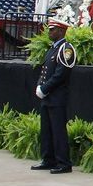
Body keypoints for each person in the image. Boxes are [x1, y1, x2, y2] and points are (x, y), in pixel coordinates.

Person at [31, 15, 76, 174]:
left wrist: (45, 88)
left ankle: (63, 163)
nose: (50, 32)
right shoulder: (53, 48)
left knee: (58, 131)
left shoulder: (66, 49)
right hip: (48, 96)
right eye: (49, 29)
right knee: (47, 130)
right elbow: (44, 72)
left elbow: (60, 74)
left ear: (62, 31)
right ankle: (48, 159)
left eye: (53, 30)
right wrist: (39, 85)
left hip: (57, 96)